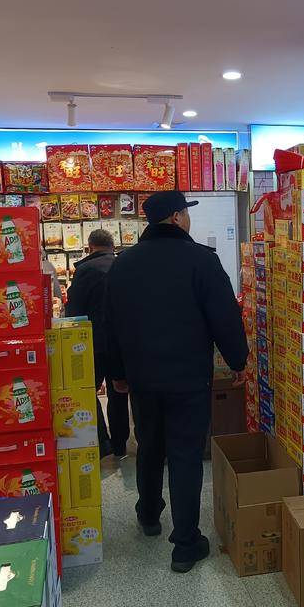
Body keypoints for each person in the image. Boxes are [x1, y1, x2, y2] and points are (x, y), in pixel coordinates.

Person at [103, 190, 248, 573]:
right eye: (186, 212)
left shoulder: (123, 264)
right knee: (185, 455)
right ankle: (185, 544)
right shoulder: (202, 260)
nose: (188, 218)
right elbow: (224, 317)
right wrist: (238, 360)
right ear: (176, 218)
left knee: (150, 446)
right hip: (189, 379)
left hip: (143, 379)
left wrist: (117, 374)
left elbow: (111, 325)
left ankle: (149, 514)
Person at [65, 229, 130, 459]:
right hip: (121, 342)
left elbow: (73, 311)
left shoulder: (84, 270)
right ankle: (120, 445)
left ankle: (102, 442)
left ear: (90, 247)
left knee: (87, 391)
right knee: (119, 392)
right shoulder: (124, 266)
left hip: (91, 343)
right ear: (113, 246)